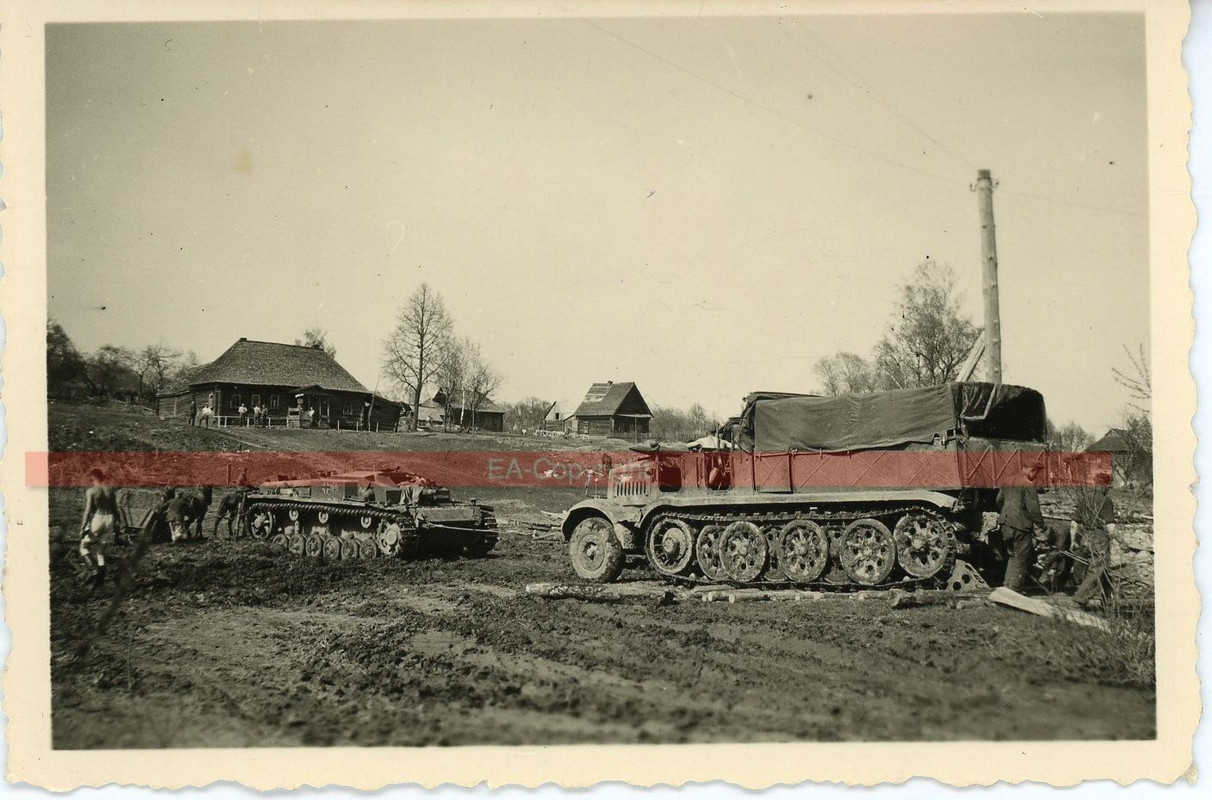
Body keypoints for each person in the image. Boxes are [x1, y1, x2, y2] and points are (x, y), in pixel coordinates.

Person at [995, 462, 1045, 593]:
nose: (1036, 477)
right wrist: (1041, 526)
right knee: (1021, 558)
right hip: (1021, 526)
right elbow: (1034, 509)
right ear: (1032, 470)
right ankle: (1015, 591)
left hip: (1005, 524)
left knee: (1012, 556)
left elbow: (998, 500)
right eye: (1036, 474)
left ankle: (1007, 587)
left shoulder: (1007, 480)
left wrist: (1008, 514)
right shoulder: (1028, 485)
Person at [1072, 485, 1119, 609]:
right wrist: (1122, 542)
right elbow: (1110, 526)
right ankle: (1079, 599)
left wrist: (1073, 540)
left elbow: (1074, 522)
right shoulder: (1106, 500)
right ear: (1106, 486)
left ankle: (1107, 599)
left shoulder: (1084, 499)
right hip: (1099, 538)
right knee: (1097, 570)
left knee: (1101, 568)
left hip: (1085, 537)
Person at [79, 468, 119, 591]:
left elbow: (88, 511)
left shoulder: (91, 491)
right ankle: (100, 581)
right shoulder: (111, 490)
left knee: (83, 547)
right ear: (102, 477)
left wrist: (82, 527)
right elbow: (115, 509)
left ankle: (94, 570)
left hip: (98, 517)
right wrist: (118, 525)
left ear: (93, 478)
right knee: (101, 553)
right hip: (110, 519)